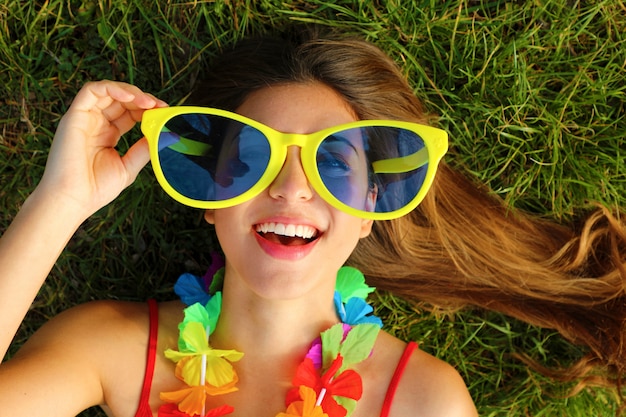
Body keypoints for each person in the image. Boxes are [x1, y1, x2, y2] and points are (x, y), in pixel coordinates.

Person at [0, 25, 623, 417]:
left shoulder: (423, 402)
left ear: (370, 208)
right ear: (214, 194)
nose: (291, 189)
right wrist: (61, 202)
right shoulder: (109, 348)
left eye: (330, 161)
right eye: (251, 158)